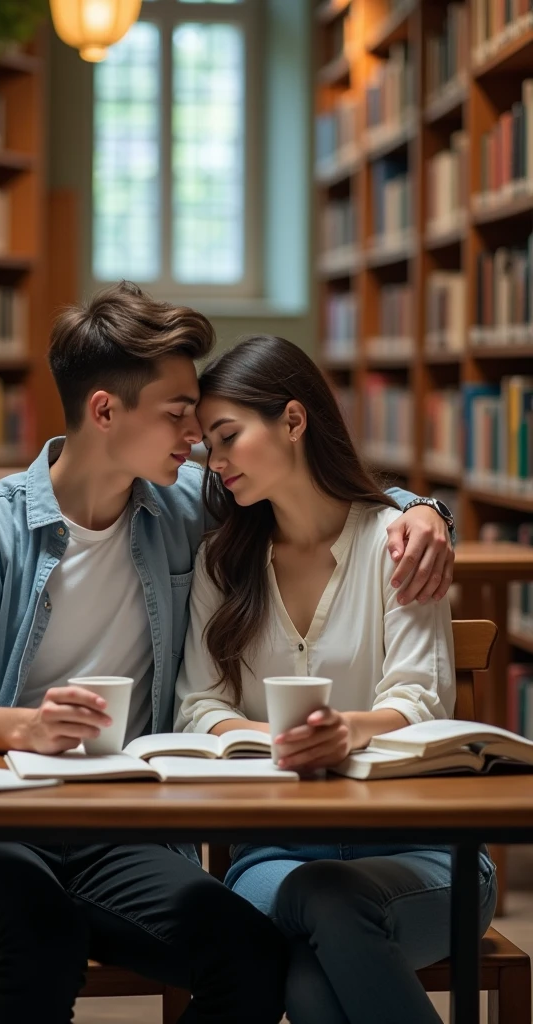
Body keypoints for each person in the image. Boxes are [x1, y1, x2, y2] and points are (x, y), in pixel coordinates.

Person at [0, 284, 455, 1024]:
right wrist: (25, 726)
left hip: (116, 831)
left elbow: (313, 488)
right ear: (106, 410)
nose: (198, 440)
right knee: (44, 935)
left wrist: (423, 511)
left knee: (247, 950)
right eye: (179, 414)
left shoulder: (187, 507)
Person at [175, 334, 497, 1024]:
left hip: (422, 854)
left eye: (227, 437)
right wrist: (275, 739)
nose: (216, 461)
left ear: (294, 420)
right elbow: (197, 704)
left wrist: (346, 733)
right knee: (320, 903)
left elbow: (418, 698)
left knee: (310, 960)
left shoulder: (401, 543)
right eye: (208, 444)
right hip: (273, 857)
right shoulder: (221, 564)